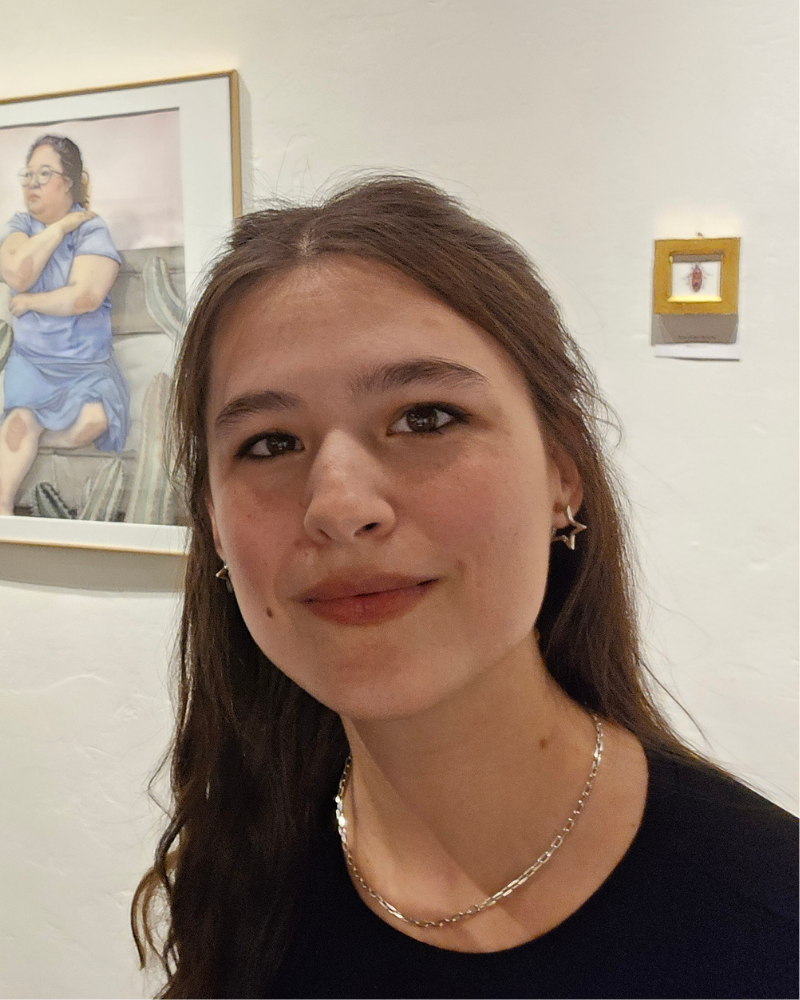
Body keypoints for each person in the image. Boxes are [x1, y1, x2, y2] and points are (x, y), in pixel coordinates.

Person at [131, 176, 798, 1000]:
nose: (340, 508)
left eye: (424, 418)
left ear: (563, 472)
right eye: (270, 443)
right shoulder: (246, 857)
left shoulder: (769, 926)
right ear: (214, 521)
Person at [0, 133, 130, 516]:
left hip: (85, 366)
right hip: (32, 362)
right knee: (21, 423)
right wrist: (57, 229)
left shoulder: (92, 229)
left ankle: (34, 435)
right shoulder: (20, 224)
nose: (32, 184)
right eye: (28, 174)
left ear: (70, 181)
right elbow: (16, 274)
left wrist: (31, 303)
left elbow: (85, 295)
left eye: (44, 174)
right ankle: (2, 515)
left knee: (94, 421)